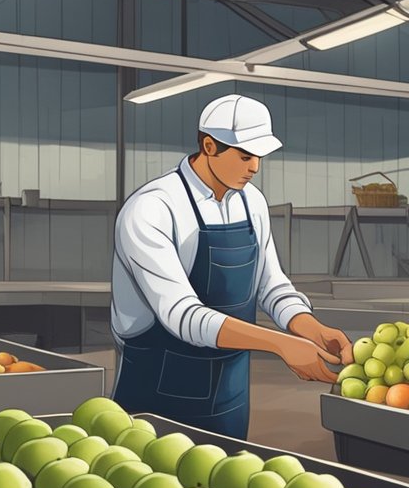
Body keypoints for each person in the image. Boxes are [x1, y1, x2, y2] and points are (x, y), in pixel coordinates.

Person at [111, 94, 352, 440]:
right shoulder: (153, 209)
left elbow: (271, 286)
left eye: (258, 157)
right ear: (209, 146)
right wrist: (281, 344)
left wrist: (311, 329)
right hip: (157, 392)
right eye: (244, 155)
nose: (254, 167)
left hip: (230, 393)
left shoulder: (251, 202)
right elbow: (182, 316)